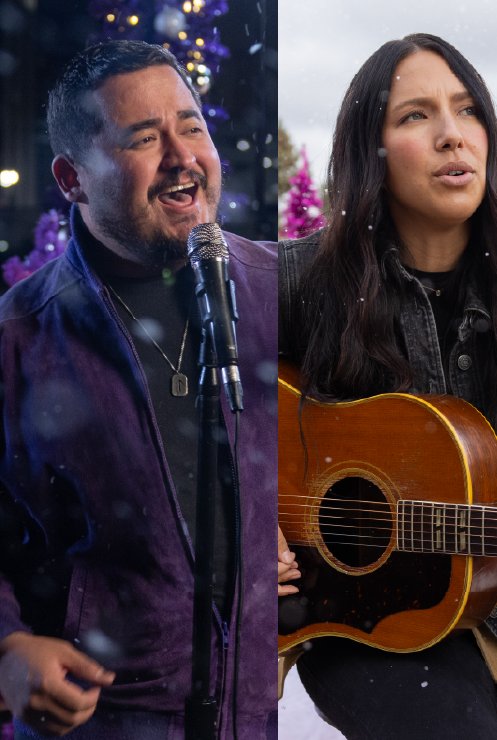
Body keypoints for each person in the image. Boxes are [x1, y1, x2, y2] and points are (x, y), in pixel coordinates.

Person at [277, 34, 497, 739]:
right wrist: (253, 525)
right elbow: (187, 425)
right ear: (368, 151)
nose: (451, 135)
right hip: (360, 623)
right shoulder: (291, 282)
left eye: (467, 111)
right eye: (414, 116)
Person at [0, 41, 278, 739]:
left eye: (191, 126)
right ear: (72, 179)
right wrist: (5, 649)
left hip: (264, 708)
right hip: (107, 718)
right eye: (145, 139)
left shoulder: (281, 288)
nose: (182, 156)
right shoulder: (18, 336)